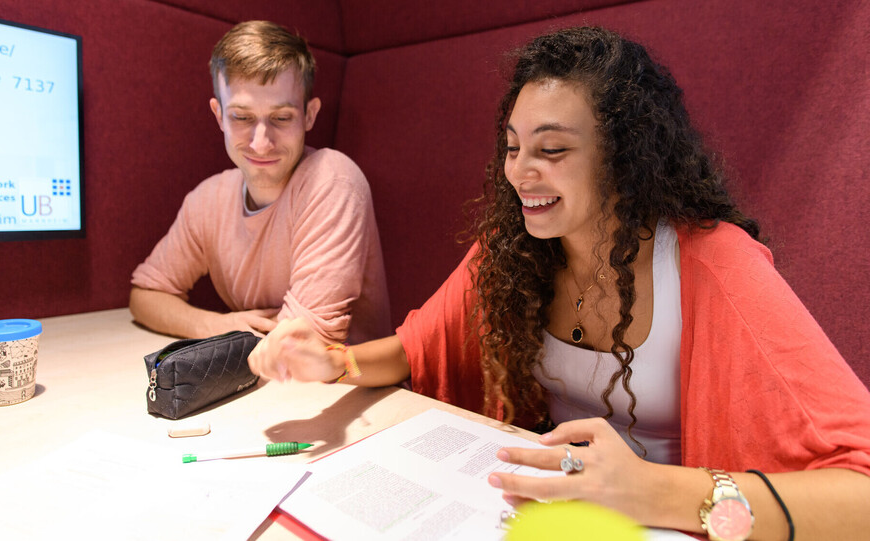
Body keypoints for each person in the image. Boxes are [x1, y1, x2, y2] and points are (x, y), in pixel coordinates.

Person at [248, 26, 870, 540]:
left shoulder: (716, 265)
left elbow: (860, 493)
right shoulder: (514, 249)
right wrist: (334, 362)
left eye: (552, 150)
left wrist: (649, 491)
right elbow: (418, 349)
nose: (520, 172)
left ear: (626, 157)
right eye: (513, 147)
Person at [130, 21, 391, 344]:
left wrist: (239, 335)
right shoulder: (208, 199)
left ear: (309, 115)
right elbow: (145, 296)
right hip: (259, 379)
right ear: (219, 115)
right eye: (242, 117)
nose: (261, 142)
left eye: (281, 118)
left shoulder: (333, 179)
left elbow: (303, 341)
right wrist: (216, 326)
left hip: (350, 388)